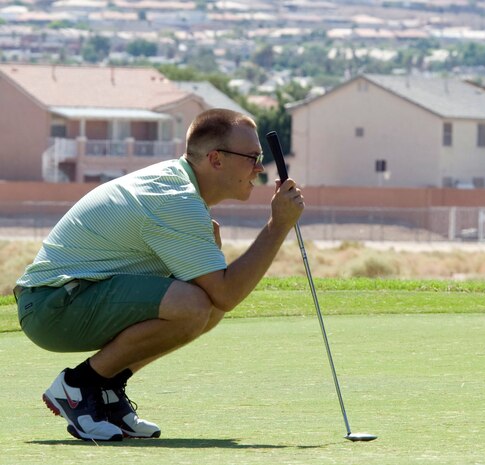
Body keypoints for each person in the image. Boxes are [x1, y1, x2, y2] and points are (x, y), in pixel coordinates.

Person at [14, 108, 304, 441]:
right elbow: (227, 291)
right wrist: (278, 226)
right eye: (252, 157)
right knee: (194, 304)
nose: (259, 167)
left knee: (206, 308)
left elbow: (219, 297)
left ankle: (106, 392)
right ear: (216, 159)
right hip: (51, 305)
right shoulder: (176, 198)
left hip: (66, 298)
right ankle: (78, 387)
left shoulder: (180, 189)